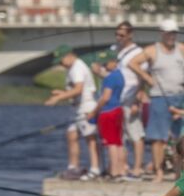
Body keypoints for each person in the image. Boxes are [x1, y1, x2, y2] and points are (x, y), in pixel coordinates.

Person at [128, 19, 184, 182]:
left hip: (181, 97)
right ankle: (159, 172)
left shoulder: (182, 48)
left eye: (174, 33)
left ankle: (179, 173)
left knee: (181, 138)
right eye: (169, 33)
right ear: (162, 33)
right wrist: (147, 78)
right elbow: (132, 63)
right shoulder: (152, 50)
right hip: (159, 97)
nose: (172, 36)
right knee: (158, 138)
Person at [44, 45, 100, 180]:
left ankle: (95, 169)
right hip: (76, 108)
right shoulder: (72, 68)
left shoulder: (77, 68)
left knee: (90, 138)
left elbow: (78, 89)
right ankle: (73, 168)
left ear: (69, 56)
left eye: (61, 60)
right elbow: (75, 90)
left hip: (86, 107)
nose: (61, 64)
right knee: (71, 135)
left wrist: (58, 98)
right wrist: (62, 93)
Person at [114, 21, 146, 178]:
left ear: (130, 35)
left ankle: (137, 167)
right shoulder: (118, 52)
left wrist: (137, 101)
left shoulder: (138, 52)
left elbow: (143, 77)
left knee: (136, 134)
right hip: (118, 99)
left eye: (122, 35)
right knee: (122, 135)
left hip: (131, 98)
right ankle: (124, 166)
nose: (118, 37)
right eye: (117, 34)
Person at [91, 51, 127, 180]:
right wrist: (98, 72)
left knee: (111, 143)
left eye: (106, 63)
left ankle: (114, 172)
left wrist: (94, 111)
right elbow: (106, 77)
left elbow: (105, 97)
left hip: (108, 112)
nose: (104, 66)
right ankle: (121, 170)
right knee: (118, 142)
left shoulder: (110, 78)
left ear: (114, 62)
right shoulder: (119, 75)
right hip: (118, 110)